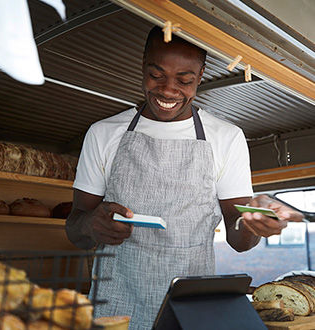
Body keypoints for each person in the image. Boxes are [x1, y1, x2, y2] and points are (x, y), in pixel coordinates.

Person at [66, 26, 304, 329]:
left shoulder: (226, 137)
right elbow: (75, 229)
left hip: (190, 309)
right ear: (142, 64)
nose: (168, 90)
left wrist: (252, 223)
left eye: (184, 80)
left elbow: (239, 240)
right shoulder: (103, 133)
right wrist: (90, 224)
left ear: (201, 75)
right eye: (157, 75)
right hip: (116, 304)